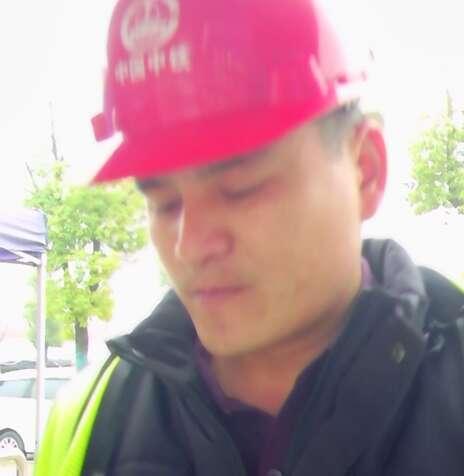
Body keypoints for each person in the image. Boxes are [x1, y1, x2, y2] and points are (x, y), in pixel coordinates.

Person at [35, 0, 464, 475]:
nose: (189, 245)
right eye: (164, 203)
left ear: (365, 170)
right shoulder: (88, 422)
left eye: (241, 189)